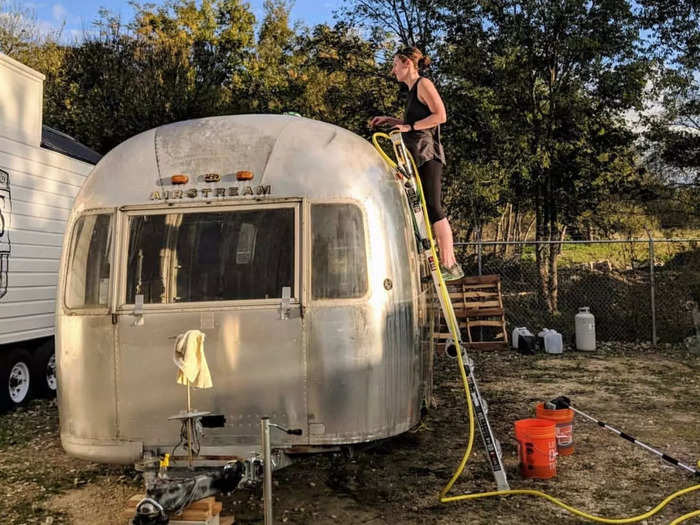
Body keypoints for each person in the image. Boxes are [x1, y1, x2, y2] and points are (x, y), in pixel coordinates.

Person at [370, 46, 464, 281]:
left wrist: (409, 127)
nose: (393, 71)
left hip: (428, 153)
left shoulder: (424, 84)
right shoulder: (412, 91)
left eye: (395, 65)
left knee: (434, 206)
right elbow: (416, 120)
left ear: (407, 63)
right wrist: (391, 120)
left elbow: (440, 116)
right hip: (417, 153)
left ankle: (450, 264)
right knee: (424, 207)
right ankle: (439, 260)